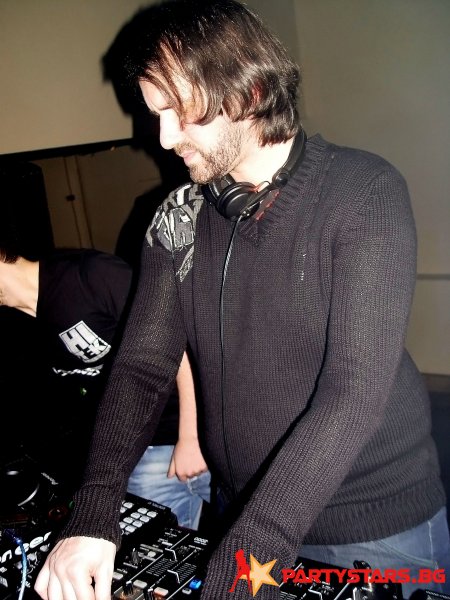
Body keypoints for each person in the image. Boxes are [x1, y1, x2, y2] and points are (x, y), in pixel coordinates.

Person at [34, 1, 449, 599]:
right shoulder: (180, 218)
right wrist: (95, 514)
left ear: (250, 92)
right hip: (243, 511)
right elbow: (141, 368)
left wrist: (252, 552)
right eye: (156, 114)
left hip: (372, 527)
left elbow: (353, 394)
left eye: (179, 112)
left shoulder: (363, 194)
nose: (163, 138)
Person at [0, 236, 210, 528]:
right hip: (138, 450)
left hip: (190, 431)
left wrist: (191, 436)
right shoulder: (23, 330)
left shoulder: (90, 274)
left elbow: (175, 342)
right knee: (165, 547)